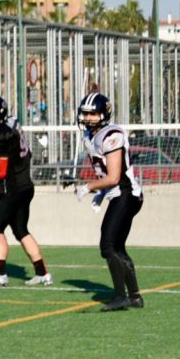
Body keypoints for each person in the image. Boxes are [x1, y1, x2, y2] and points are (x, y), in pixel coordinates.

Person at [75, 92, 144, 311]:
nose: (88, 118)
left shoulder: (111, 134)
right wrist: (101, 193)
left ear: (104, 114)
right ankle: (134, 296)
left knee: (108, 245)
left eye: (93, 114)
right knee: (116, 247)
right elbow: (106, 173)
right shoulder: (90, 135)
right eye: (85, 114)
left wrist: (90, 187)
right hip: (118, 194)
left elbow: (114, 176)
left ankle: (120, 296)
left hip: (126, 193)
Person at [0, 95, 51, 287]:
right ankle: (42, 272)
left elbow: (0, 170)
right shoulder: (13, 123)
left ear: (0, 112)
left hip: (11, 188)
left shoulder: (0, 135)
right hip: (25, 185)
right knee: (20, 230)